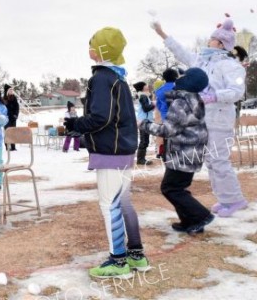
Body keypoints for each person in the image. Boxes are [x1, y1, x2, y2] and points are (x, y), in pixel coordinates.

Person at [152, 19, 248, 217]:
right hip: (203, 119)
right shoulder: (201, 61)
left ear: (221, 44)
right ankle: (226, 199)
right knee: (212, 162)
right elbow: (180, 52)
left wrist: (214, 96)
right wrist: (162, 33)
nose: (209, 40)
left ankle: (234, 199)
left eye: (213, 38)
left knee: (219, 160)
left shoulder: (231, 66)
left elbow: (237, 91)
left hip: (220, 120)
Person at [73, 27, 149, 279]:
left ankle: (118, 260)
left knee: (110, 204)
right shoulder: (118, 77)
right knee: (123, 201)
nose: (89, 48)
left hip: (112, 150)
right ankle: (136, 255)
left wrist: (75, 125)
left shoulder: (102, 78)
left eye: (92, 44)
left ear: (100, 50)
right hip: (123, 148)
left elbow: (101, 117)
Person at [141, 68, 215, 234]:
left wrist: (144, 125)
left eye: (183, 76)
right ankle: (189, 222)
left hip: (183, 153)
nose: (179, 78)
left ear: (187, 82)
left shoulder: (181, 103)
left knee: (170, 189)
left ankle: (201, 216)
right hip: (192, 152)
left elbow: (168, 130)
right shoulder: (195, 99)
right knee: (178, 188)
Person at [133, 81, 155, 165]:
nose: (147, 85)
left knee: (145, 140)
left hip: (144, 120)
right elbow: (146, 108)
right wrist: (154, 104)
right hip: (144, 121)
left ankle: (141, 159)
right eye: (145, 85)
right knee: (144, 141)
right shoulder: (143, 96)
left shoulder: (144, 95)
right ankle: (140, 160)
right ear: (142, 87)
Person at [3, 84, 19, 151]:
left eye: (12, 90)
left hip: (13, 118)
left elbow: (17, 108)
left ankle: (13, 146)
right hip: (6, 118)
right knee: (7, 132)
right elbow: (4, 108)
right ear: (7, 91)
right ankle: (7, 146)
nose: (11, 91)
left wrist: (16, 115)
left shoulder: (14, 98)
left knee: (13, 132)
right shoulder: (4, 98)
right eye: (10, 90)